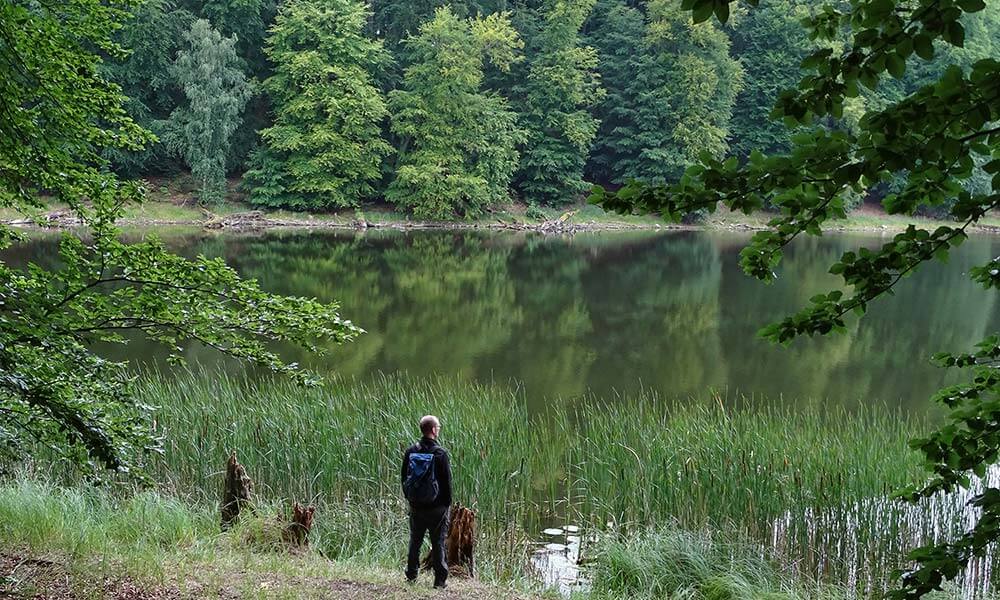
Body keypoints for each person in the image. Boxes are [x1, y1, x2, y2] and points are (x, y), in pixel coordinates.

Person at [401, 414, 453, 588]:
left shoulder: (411, 451)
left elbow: (404, 478)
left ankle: (411, 576)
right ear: (433, 430)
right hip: (437, 507)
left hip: (416, 506)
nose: (438, 430)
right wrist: (446, 504)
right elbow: (446, 483)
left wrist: (411, 498)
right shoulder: (440, 454)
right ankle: (439, 581)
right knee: (438, 542)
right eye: (437, 427)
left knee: (415, 541)